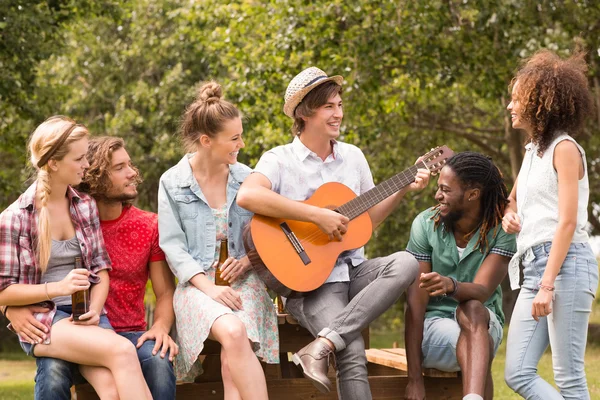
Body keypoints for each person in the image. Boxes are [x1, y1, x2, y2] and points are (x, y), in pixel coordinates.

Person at [236, 66, 429, 400]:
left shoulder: (353, 157)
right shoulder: (279, 159)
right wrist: (316, 215)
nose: (338, 113)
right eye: (329, 107)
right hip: (308, 283)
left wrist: (402, 190)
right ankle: (333, 341)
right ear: (303, 113)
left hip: (352, 270)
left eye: (339, 105)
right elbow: (248, 196)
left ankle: (321, 344)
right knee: (351, 349)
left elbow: (366, 223)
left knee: (407, 263)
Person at [5, 136, 179, 399]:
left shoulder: (96, 212)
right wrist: (8, 309)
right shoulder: (39, 214)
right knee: (56, 373)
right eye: (119, 167)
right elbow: (8, 281)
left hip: (107, 325)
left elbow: (108, 274)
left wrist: (159, 327)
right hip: (56, 321)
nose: (132, 173)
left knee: (138, 372)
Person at [158, 81, 278, 400]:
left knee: (230, 360)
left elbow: (271, 233)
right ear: (206, 140)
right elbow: (172, 246)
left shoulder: (248, 179)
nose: (241, 143)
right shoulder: (173, 183)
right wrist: (210, 288)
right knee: (234, 332)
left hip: (246, 283)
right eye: (234, 138)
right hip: (196, 287)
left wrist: (249, 259)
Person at [503, 50, 598, 399]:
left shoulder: (565, 149)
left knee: (569, 376)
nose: (511, 106)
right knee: (517, 372)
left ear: (539, 102)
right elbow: (512, 201)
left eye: (517, 99)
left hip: (566, 265)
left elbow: (568, 221)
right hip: (533, 267)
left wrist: (547, 285)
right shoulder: (532, 152)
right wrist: (509, 216)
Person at [404, 152, 516, 400]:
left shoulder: (501, 229)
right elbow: (415, 305)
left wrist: (450, 285)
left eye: (445, 189)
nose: (437, 196)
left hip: (484, 321)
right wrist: (414, 379)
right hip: (434, 328)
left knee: (475, 310)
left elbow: (482, 291)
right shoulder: (425, 224)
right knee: (478, 346)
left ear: (473, 194)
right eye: (438, 188)